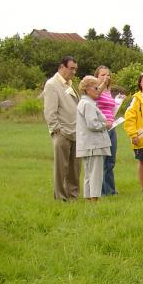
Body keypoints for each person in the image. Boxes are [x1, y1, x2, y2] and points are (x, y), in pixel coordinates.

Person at [43, 56, 81, 200]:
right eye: (71, 68)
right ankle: (60, 197)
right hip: (62, 132)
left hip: (75, 131)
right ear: (61, 67)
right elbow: (49, 111)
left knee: (75, 167)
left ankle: (73, 196)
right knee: (61, 168)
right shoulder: (52, 84)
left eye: (75, 69)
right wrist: (57, 129)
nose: (74, 72)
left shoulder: (69, 83)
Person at [76, 76, 112, 201]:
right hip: (94, 145)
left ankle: (89, 201)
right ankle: (94, 201)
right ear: (87, 89)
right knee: (95, 174)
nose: (98, 90)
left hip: (88, 145)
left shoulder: (86, 102)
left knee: (88, 173)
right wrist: (105, 125)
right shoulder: (88, 104)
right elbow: (92, 124)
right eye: (95, 87)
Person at [94, 65, 122, 195]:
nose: (106, 77)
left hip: (112, 128)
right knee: (102, 161)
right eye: (102, 75)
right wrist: (101, 85)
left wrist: (117, 102)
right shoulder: (95, 90)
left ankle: (110, 190)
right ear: (96, 77)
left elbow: (110, 109)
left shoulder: (108, 91)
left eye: (108, 75)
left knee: (110, 161)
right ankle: (101, 191)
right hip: (101, 128)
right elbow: (94, 97)